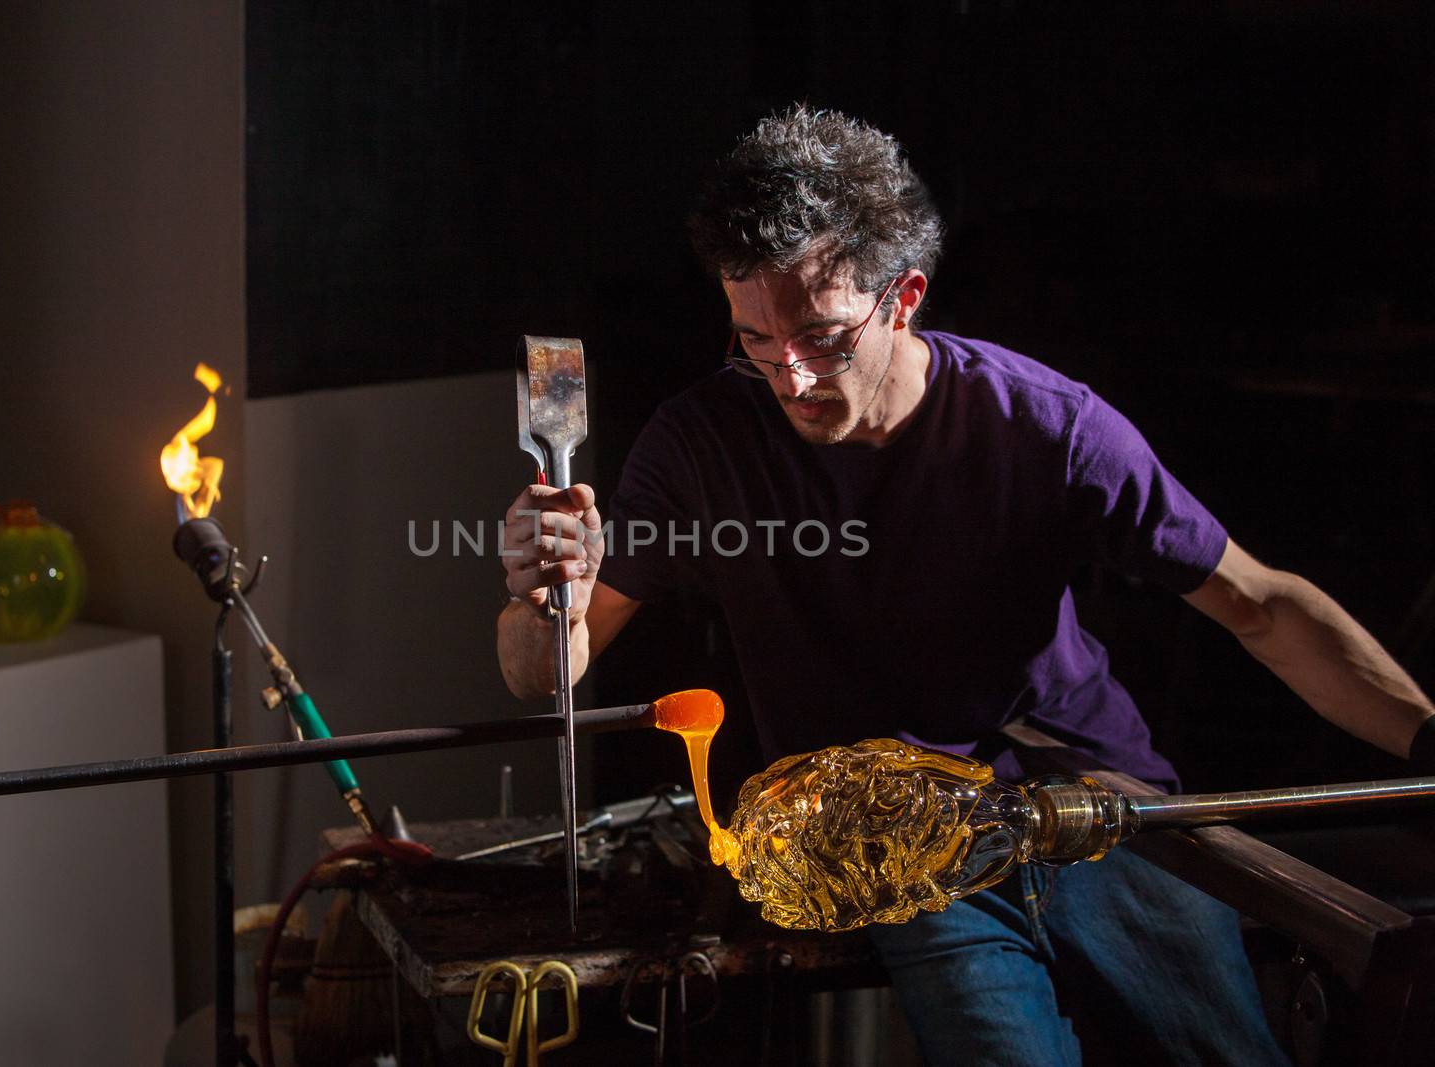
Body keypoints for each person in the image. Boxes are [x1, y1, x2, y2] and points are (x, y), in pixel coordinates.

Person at [496, 104, 1434, 1065]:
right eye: (756, 341)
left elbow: (1261, 604)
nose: (791, 375)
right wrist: (541, 595)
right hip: (897, 844)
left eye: (821, 337)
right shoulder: (701, 442)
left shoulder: (1046, 428)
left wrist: (1427, 734)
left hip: (1094, 805)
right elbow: (548, 670)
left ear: (902, 297)